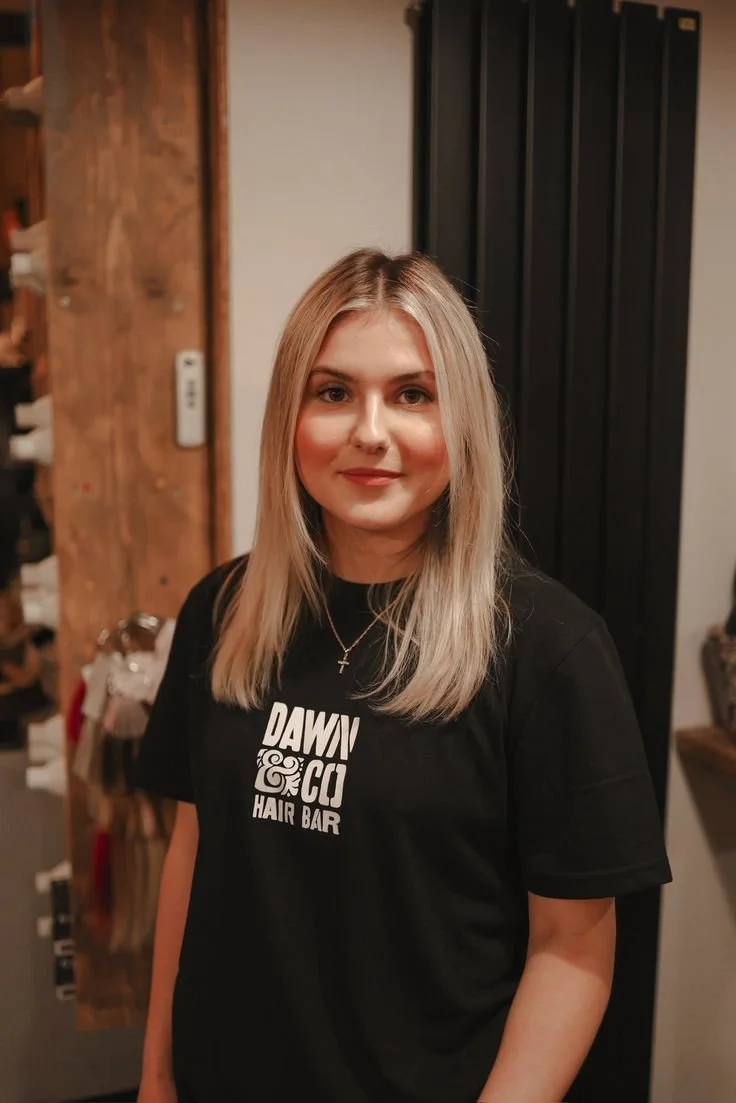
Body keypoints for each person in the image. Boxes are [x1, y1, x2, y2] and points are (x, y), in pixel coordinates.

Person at [135, 249, 671, 1103]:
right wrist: (158, 1078)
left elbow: (571, 946)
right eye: (334, 391)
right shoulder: (222, 611)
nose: (371, 432)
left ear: (461, 422)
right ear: (291, 418)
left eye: (413, 394)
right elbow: (194, 853)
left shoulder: (547, 647)